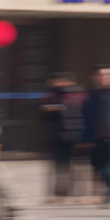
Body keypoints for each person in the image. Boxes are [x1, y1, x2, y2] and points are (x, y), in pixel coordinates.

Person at [83, 64, 110, 207]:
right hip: (97, 137)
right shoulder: (93, 95)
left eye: (106, 76)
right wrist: (86, 138)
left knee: (107, 166)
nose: (102, 78)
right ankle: (103, 192)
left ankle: (109, 193)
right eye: (100, 76)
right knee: (97, 164)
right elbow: (88, 118)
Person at [40, 72, 86, 203]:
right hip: (58, 137)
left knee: (75, 167)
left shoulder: (79, 96)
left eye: (58, 81)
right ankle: (60, 194)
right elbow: (43, 116)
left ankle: (77, 193)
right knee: (60, 167)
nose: (55, 84)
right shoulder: (50, 96)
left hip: (75, 136)